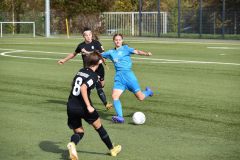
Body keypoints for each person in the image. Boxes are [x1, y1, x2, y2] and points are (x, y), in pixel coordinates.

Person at [66, 52, 121, 160]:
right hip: (83, 107)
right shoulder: (94, 76)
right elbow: (83, 88)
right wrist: (88, 106)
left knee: (79, 132)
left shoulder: (80, 71)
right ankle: (112, 149)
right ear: (99, 62)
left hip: (71, 106)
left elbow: (74, 84)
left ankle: (72, 144)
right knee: (99, 127)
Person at [101, 34, 154, 123]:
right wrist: (100, 57)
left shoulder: (126, 48)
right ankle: (120, 117)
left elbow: (137, 51)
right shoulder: (110, 52)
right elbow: (99, 55)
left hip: (129, 76)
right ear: (113, 41)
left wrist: (146, 53)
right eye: (116, 40)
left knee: (140, 97)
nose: (118, 41)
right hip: (119, 78)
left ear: (122, 40)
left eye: (119, 39)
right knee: (115, 96)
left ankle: (148, 91)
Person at [58, 27, 112, 110]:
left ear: (92, 35)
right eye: (86, 35)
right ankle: (105, 104)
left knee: (102, 84)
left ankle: (89, 99)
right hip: (88, 70)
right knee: (96, 86)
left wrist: (97, 58)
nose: (88, 37)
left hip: (99, 69)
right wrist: (64, 60)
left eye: (90, 35)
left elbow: (103, 55)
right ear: (83, 36)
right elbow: (73, 54)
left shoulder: (97, 43)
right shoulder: (81, 46)